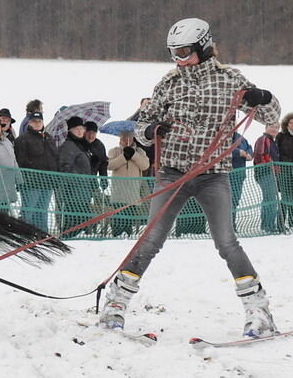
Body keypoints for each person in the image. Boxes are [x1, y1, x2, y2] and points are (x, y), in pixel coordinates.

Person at [98, 17, 281, 339]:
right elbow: (141, 125)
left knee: (226, 241)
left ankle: (258, 310)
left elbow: (271, 116)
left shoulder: (229, 79)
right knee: (151, 239)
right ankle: (116, 303)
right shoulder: (169, 83)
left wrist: (263, 97)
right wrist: (151, 130)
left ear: (203, 46)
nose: (178, 60)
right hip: (172, 173)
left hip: (213, 176)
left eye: (183, 52)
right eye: (173, 53)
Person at [13, 111, 58, 232]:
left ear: (43, 122)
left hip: (48, 183)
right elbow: (20, 161)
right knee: (28, 211)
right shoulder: (22, 139)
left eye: (39, 121)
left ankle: (42, 235)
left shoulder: (49, 138)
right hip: (31, 183)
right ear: (29, 122)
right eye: (34, 121)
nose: (37, 123)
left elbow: (54, 158)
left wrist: (55, 178)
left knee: (42, 211)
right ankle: (23, 233)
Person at [106, 131, 150, 237]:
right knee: (118, 220)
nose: (126, 141)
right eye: (123, 138)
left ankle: (128, 236)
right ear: (120, 139)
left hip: (133, 194)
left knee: (129, 221)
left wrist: (134, 155)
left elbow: (145, 166)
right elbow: (109, 165)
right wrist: (124, 157)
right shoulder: (114, 151)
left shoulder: (140, 152)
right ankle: (116, 236)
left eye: (128, 138)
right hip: (118, 194)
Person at [57, 116, 94, 237]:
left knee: (82, 222)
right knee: (74, 224)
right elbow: (64, 167)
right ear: (69, 130)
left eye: (81, 128)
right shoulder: (68, 145)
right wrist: (76, 180)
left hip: (83, 192)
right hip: (72, 193)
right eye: (76, 129)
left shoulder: (82, 145)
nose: (79, 131)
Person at [253, 123, 283, 233]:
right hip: (265, 173)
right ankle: (267, 225)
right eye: (272, 126)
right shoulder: (263, 139)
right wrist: (267, 167)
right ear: (266, 128)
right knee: (270, 199)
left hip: (273, 174)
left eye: (276, 127)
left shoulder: (273, 142)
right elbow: (259, 155)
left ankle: (269, 224)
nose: (274, 129)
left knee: (271, 199)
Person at [229, 132, 254, 228]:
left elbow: (249, 148)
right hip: (226, 174)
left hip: (239, 175)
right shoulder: (222, 136)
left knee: (235, 199)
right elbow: (221, 150)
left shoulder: (240, 137)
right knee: (225, 201)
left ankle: (232, 224)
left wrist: (249, 154)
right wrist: (237, 152)